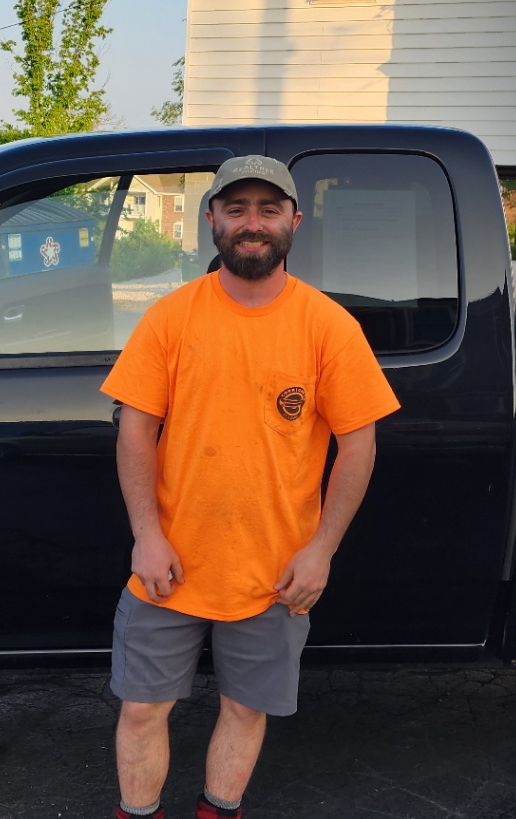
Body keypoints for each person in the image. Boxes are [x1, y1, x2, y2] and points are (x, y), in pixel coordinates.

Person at [100, 155, 401, 819]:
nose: (252, 223)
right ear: (211, 219)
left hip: (275, 572)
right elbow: (134, 432)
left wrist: (320, 549)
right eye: (236, 208)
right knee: (143, 707)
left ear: (294, 221)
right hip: (167, 565)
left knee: (245, 706)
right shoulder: (170, 318)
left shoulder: (328, 327)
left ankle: (219, 809)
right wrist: (146, 536)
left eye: (268, 209)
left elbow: (359, 444)